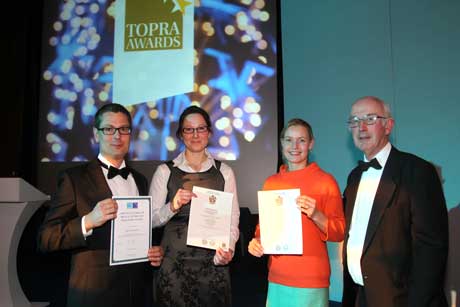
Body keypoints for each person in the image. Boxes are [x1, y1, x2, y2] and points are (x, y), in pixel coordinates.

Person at [38, 103, 164, 307]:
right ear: (96, 135)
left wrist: (151, 250)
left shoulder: (140, 180)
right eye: (108, 129)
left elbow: (138, 232)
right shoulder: (73, 178)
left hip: (137, 294)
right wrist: (88, 221)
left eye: (124, 129)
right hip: (94, 295)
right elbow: (46, 238)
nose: (117, 136)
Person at [342, 96, 448, 307]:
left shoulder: (418, 171)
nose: (361, 127)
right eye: (354, 120)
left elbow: (431, 250)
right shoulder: (354, 177)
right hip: (361, 298)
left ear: (388, 125)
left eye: (370, 119)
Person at [248, 118, 345, 307]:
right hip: (277, 277)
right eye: (288, 140)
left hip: (311, 279)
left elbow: (339, 231)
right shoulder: (271, 183)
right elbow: (264, 229)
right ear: (281, 143)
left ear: (311, 144)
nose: (295, 146)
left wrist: (316, 214)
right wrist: (257, 242)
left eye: (301, 140)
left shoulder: (326, 182)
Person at [149, 105, 240, 307]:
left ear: (209, 132)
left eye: (201, 128)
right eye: (188, 129)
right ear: (181, 135)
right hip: (173, 265)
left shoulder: (224, 172)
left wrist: (229, 250)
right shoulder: (164, 171)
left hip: (213, 265)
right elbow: (152, 220)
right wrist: (172, 206)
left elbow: (232, 219)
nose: (195, 134)